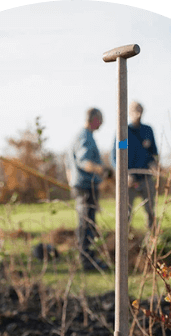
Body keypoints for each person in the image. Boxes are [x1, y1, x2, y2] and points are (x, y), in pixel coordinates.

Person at [67, 108, 109, 271]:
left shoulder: (83, 136)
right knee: (86, 223)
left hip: (83, 186)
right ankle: (86, 260)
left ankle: (88, 257)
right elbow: (84, 162)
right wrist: (102, 170)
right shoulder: (84, 137)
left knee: (88, 223)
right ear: (94, 119)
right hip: (85, 187)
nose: (102, 123)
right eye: (101, 119)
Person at [111, 101, 159, 229]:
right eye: (134, 110)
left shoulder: (148, 131)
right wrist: (125, 174)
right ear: (128, 112)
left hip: (146, 178)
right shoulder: (124, 132)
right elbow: (117, 156)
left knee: (150, 211)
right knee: (125, 212)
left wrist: (154, 166)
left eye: (140, 110)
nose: (138, 113)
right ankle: (125, 241)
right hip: (129, 179)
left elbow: (153, 153)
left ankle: (151, 240)